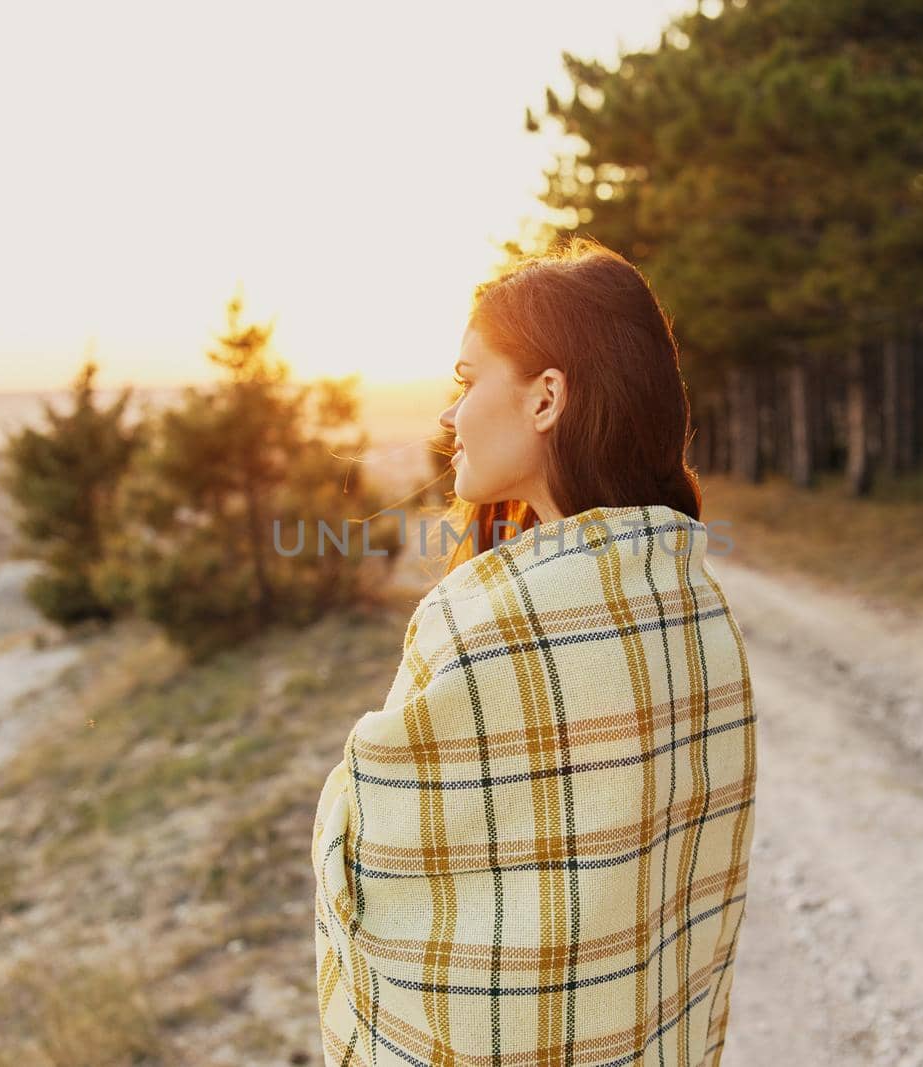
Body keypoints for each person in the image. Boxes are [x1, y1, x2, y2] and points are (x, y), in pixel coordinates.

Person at [312, 235, 757, 1066]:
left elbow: (364, 849)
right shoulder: (696, 603)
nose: (449, 416)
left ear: (547, 396)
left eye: (467, 379)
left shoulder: (495, 627)